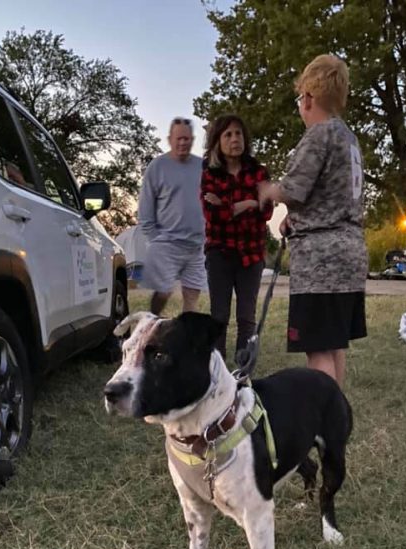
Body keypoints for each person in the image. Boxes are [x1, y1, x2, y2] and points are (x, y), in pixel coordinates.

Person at [258, 54, 368, 387]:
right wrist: (297, 219)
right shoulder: (349, 138)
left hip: (322, 261)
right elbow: (327, 195)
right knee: (333, 345)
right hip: (349, 250)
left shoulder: (319, 135)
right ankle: (335, 418)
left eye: (299, 98)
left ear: (308, 98)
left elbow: (294, 189)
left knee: (317, 350)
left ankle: (324, 424)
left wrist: (268, 190)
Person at [201, 115, 273, 362]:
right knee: (219, 315)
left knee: (246, 317)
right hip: (219, 252)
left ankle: (243, 373)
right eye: (228, 135)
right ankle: (218, 371)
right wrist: (249, 202)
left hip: (251, 254)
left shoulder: (259, 172)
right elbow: (212, 215)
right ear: (217, 141)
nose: (235, 139)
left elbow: (267, 211)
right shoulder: (210, 173)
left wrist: (229, 205)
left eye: (238, 134)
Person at [138, 117, 206, 315]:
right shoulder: (157, 167)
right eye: (179, 138)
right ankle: (149, 328)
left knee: (192, 295)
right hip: (167, 244)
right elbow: (145, 211)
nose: (183, 142)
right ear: (170, 139)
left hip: (196, 245)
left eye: (186, 138)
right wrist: (156, 241)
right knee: (163, 293)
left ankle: (185, 341)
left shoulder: (202, 167)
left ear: (193, 139)